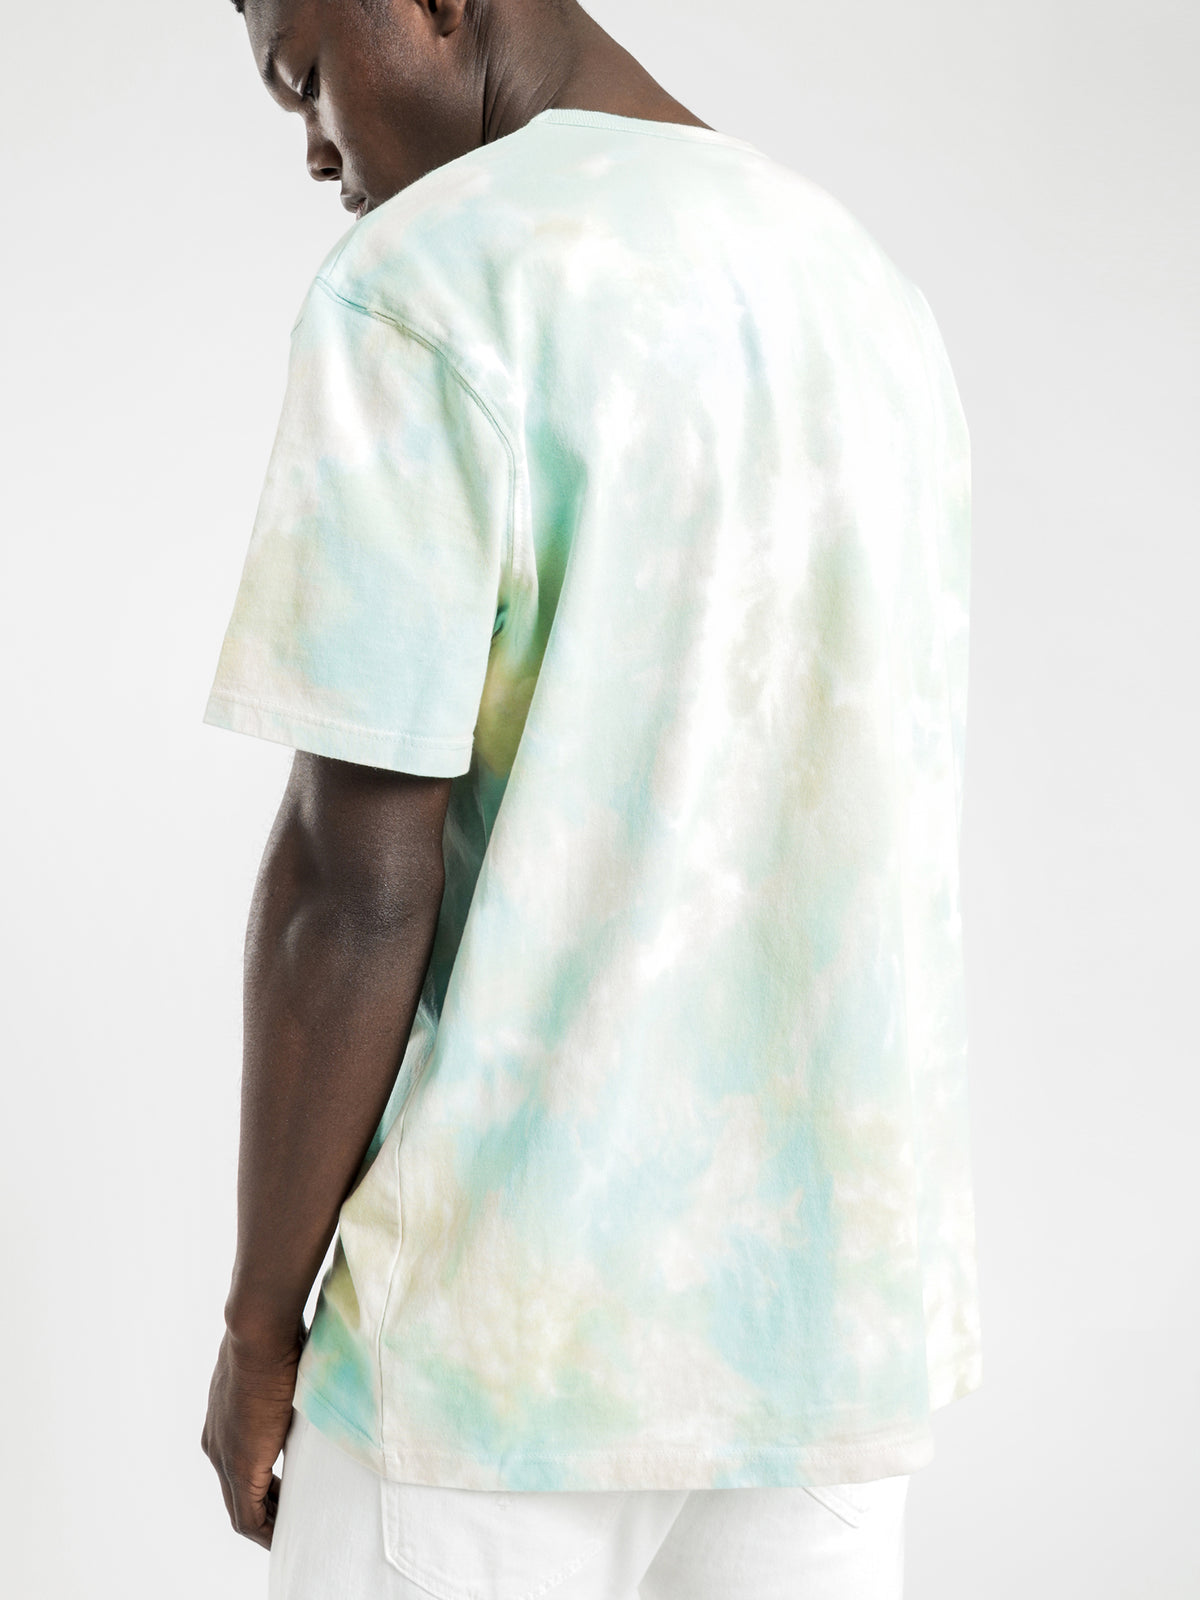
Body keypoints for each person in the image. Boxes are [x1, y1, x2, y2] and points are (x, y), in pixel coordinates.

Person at [199, 1, 983, 1595]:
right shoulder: (863, 291)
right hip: (826, 1359)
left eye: (305, 77)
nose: (317, 151)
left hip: (493, 1362)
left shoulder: (427, 284)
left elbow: (355, 887)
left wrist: (258, 1327)